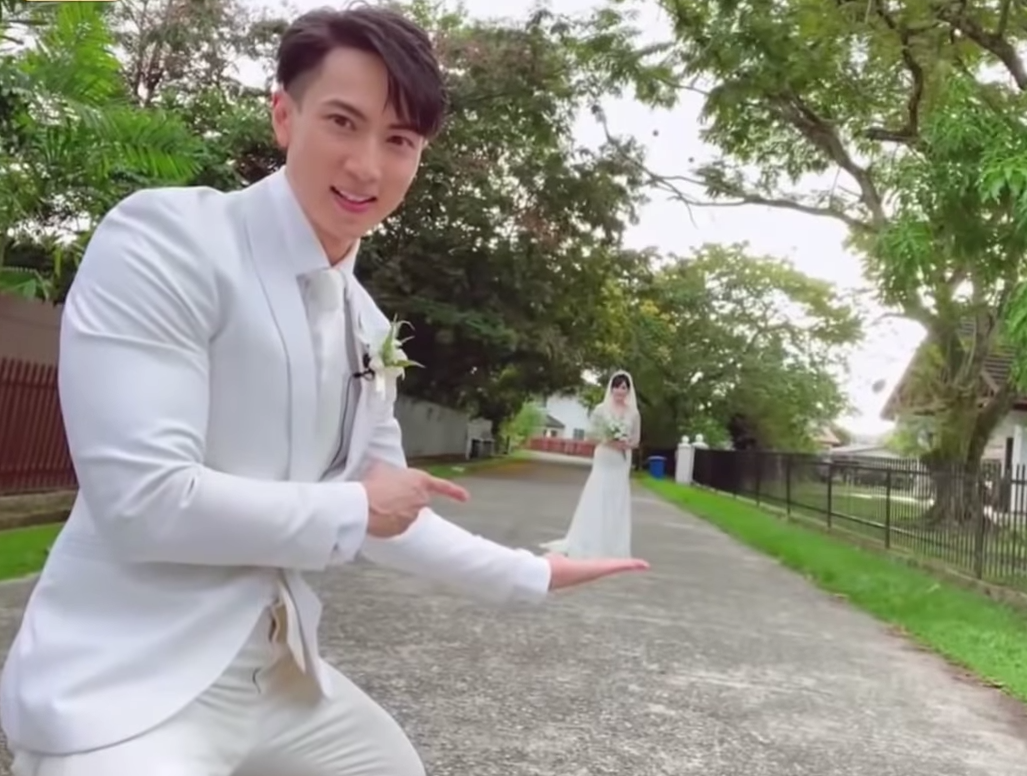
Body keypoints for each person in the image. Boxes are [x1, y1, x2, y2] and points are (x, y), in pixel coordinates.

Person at [0, 7, 649, 776]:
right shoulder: (168, 241)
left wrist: (530, 575)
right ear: (284, 115)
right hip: (125, 684)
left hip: (278, 676)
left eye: (399, 141)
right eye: (343, 122)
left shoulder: (366, 323)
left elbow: (390, 510)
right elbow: (144, 502)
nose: (367, 167)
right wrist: (354, 508)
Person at [542, 371, 641, 558]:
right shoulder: (600, 410)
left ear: (628, 391)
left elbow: (636, 440)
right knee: (599, 493)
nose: (620, 391)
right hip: (605, 456)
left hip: (621, 460)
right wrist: (609, 441)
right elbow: (591, 436)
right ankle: (589, 540)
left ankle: (613, 543)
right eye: (617, 387)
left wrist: (625, 444)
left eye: (624, 388)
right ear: (611, 388)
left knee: (617, 496)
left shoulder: (633, 413)